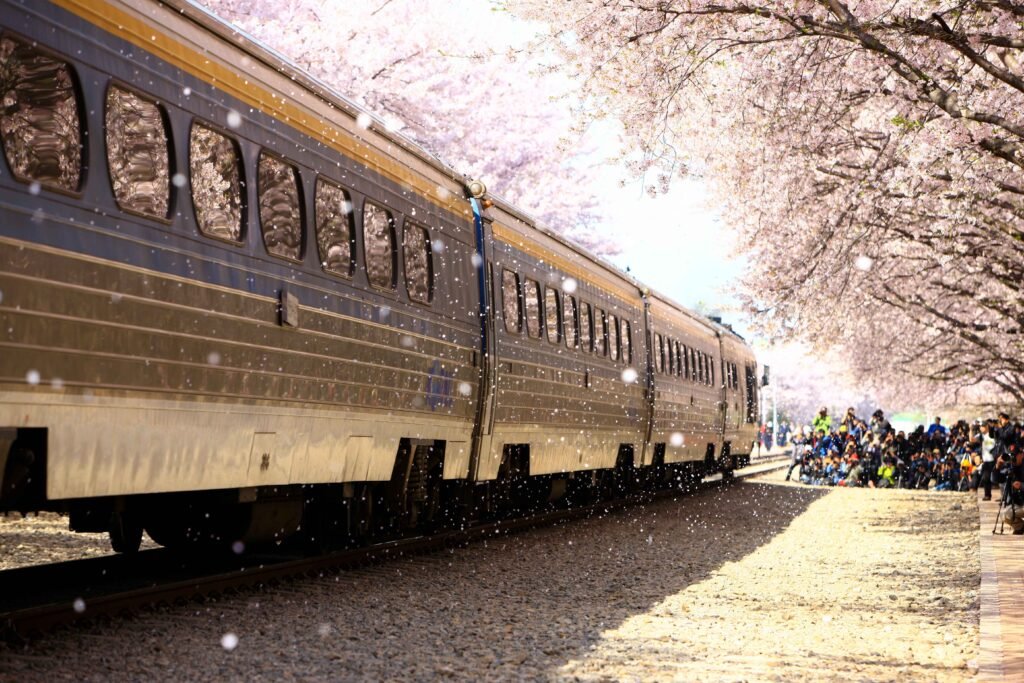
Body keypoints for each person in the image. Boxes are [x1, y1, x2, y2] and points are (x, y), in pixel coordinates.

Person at [999, 448, 1024, 534]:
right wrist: (997, 466)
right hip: (1020, 504)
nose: (1013, 457)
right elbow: (995, 479)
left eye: (1015, 455)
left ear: (1022, 454)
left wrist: (1021, 486)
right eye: (1012, 455)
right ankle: (1020, 527)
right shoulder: (1010, 469)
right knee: (1005, 514)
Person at [980, 422, 996, 500]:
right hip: (985, 460)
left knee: (996, 479)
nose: (981, 428)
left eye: (982, 427)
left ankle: (1003, 496)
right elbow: (972, 440)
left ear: (987, 427)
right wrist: (971, 429)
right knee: (985, 478)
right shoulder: (982, 436)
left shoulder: (993, 435)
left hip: (993, 460)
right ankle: (987, 495)